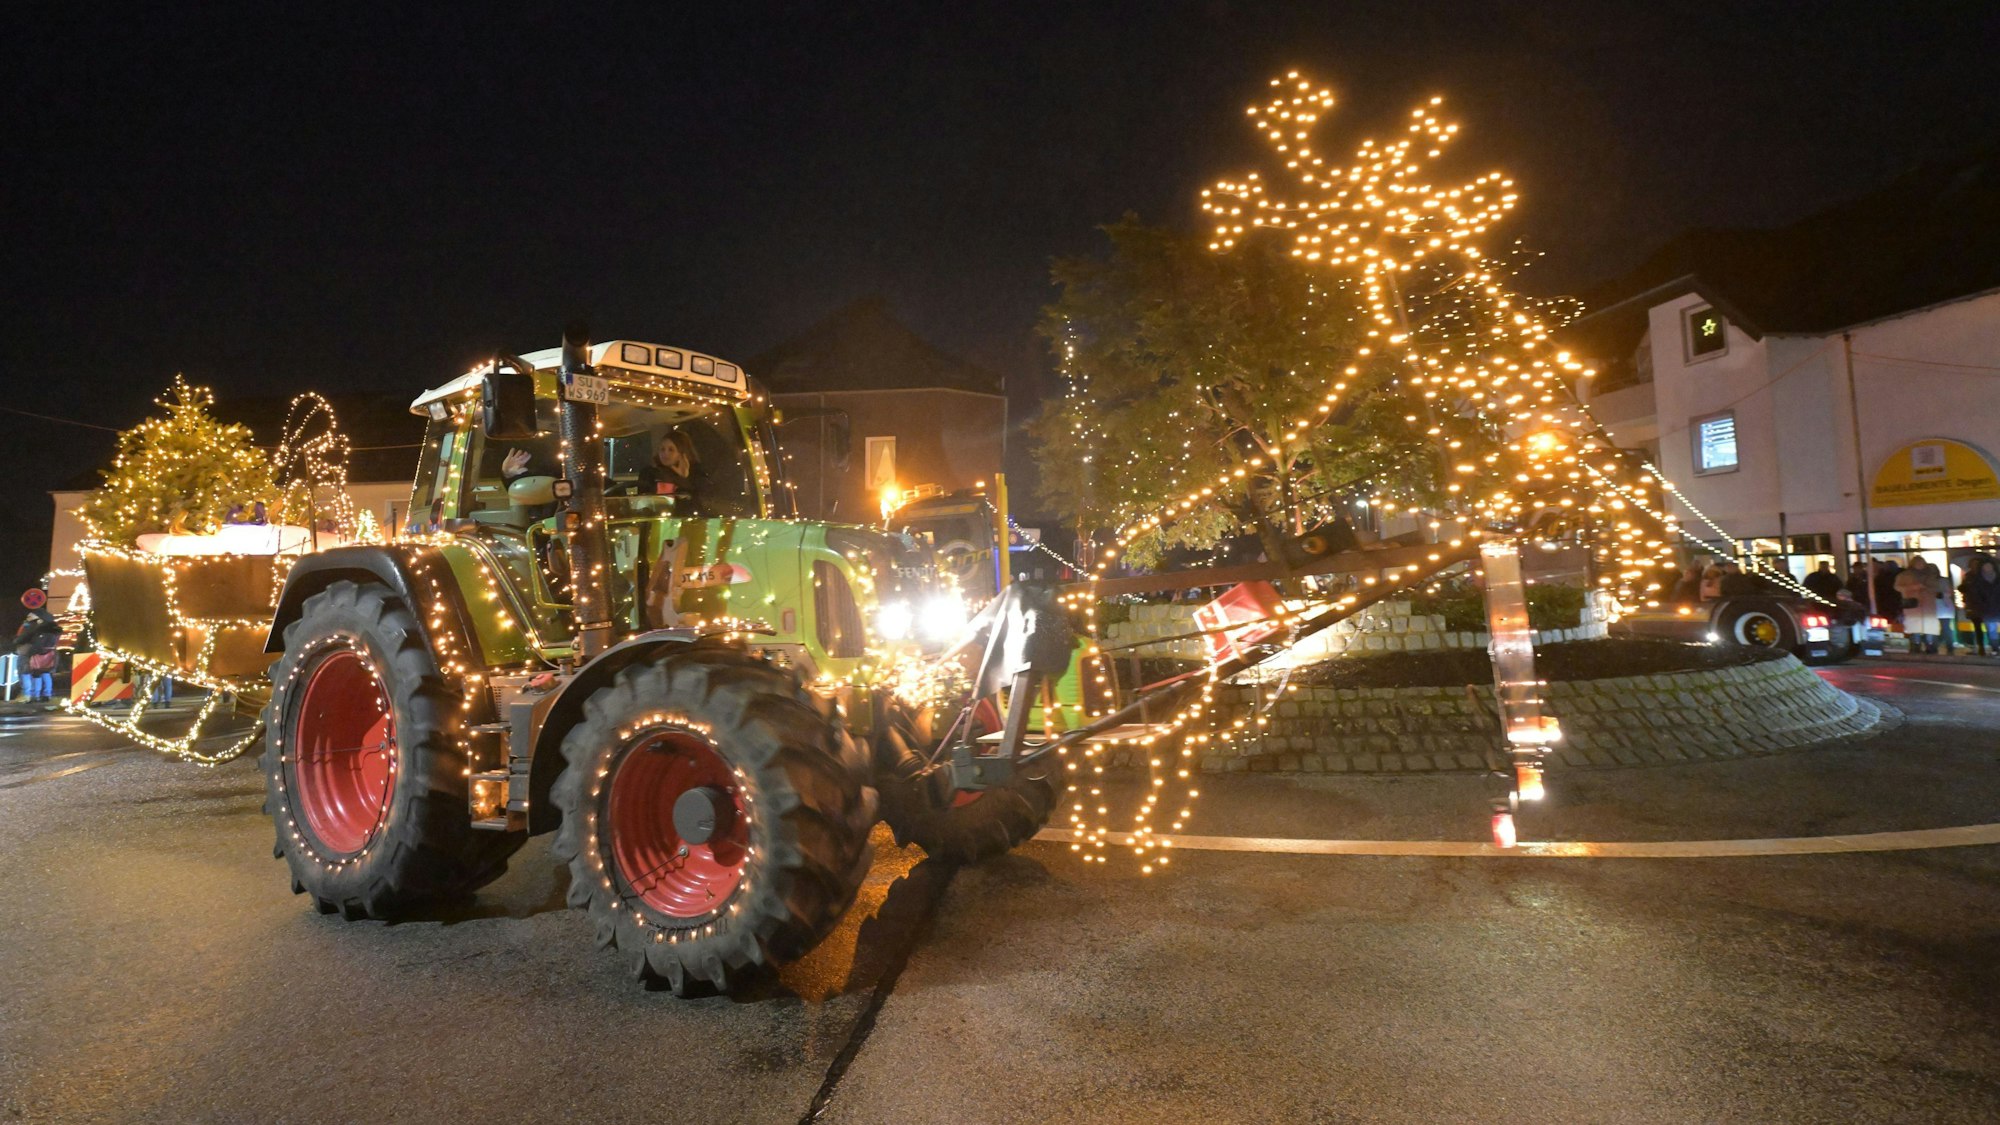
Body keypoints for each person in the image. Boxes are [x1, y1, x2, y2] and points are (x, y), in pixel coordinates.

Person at [12, 590, 60, 703]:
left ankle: (28, 694)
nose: (29, 616)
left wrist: (17, 642)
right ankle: (44, 693)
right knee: (44, 673)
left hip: (33, 651)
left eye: (31, 615)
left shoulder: (34, 626)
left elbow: (24, 636)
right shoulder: (52, 627)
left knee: (26, 672)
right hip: (49, 653)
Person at [638, 429, 702, 512]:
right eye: (662, 449)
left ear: (682, 453)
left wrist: (683, 479)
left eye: (671, 450)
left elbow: (696, 507)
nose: (665, 453)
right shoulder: (649, 473)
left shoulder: (696, 475)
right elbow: (643, 503)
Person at [1895, 555, 1942, 653]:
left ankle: (1930, 645)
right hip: (1913, 605)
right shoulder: (1904, 575)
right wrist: (1913, 588)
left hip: (1928, 605)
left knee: (1929, 627)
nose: (1920, 565)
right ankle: (1916, 645)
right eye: (1918, 563)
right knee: (1914, 626)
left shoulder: (1930, 575)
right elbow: (1898, 587)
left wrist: (1926, 588)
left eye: (1921, 563)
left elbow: (1936, 588)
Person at [1960, 558, 2000, 657]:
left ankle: (1992, 647)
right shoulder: (1975, 579)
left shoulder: (1997, 578)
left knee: (1990, 629)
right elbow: (1975, 594)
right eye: (1985, 566)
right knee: (1989, 629)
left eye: (1989, 566)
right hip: (1984, 608)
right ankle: (1991, 647)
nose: (1988, 568)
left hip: (1994, 606)